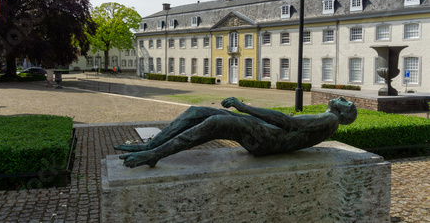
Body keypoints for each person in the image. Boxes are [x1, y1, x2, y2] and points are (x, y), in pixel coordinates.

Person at [115, 97, 357, 168]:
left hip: (267, 141)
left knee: (218, 122)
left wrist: (244, 107)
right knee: (197, 111)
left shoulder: (329, 118)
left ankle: (155, 153)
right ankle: (149, 146)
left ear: (344, 116)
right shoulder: (327, 118)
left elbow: (289, 124)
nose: (344, 100)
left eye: (348, 104)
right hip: (266, 133)